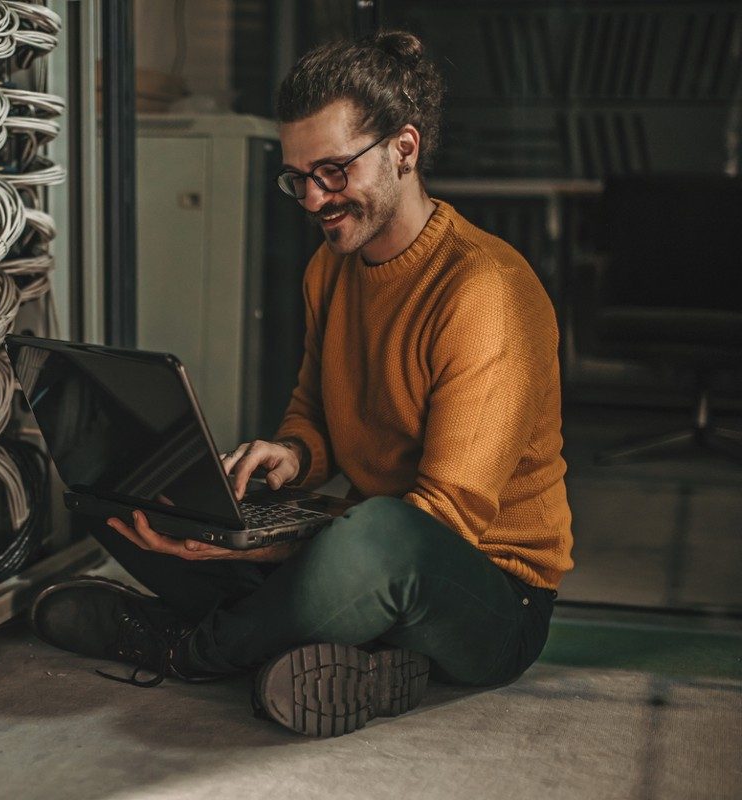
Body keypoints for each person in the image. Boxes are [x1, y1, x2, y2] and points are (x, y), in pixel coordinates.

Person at [29, 30, 574, 737]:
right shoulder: (331, 269)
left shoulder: (486, 290)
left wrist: (259, 550)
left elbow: (444, 520)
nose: (314, 199)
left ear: (403, 150)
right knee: (126, 500)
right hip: (364, 550)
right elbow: (316, 410)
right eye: (297, 178)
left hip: (488, 593)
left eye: (334, 172)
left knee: (373, 535)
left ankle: (189, 645)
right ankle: (349, 653)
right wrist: (289, 455)